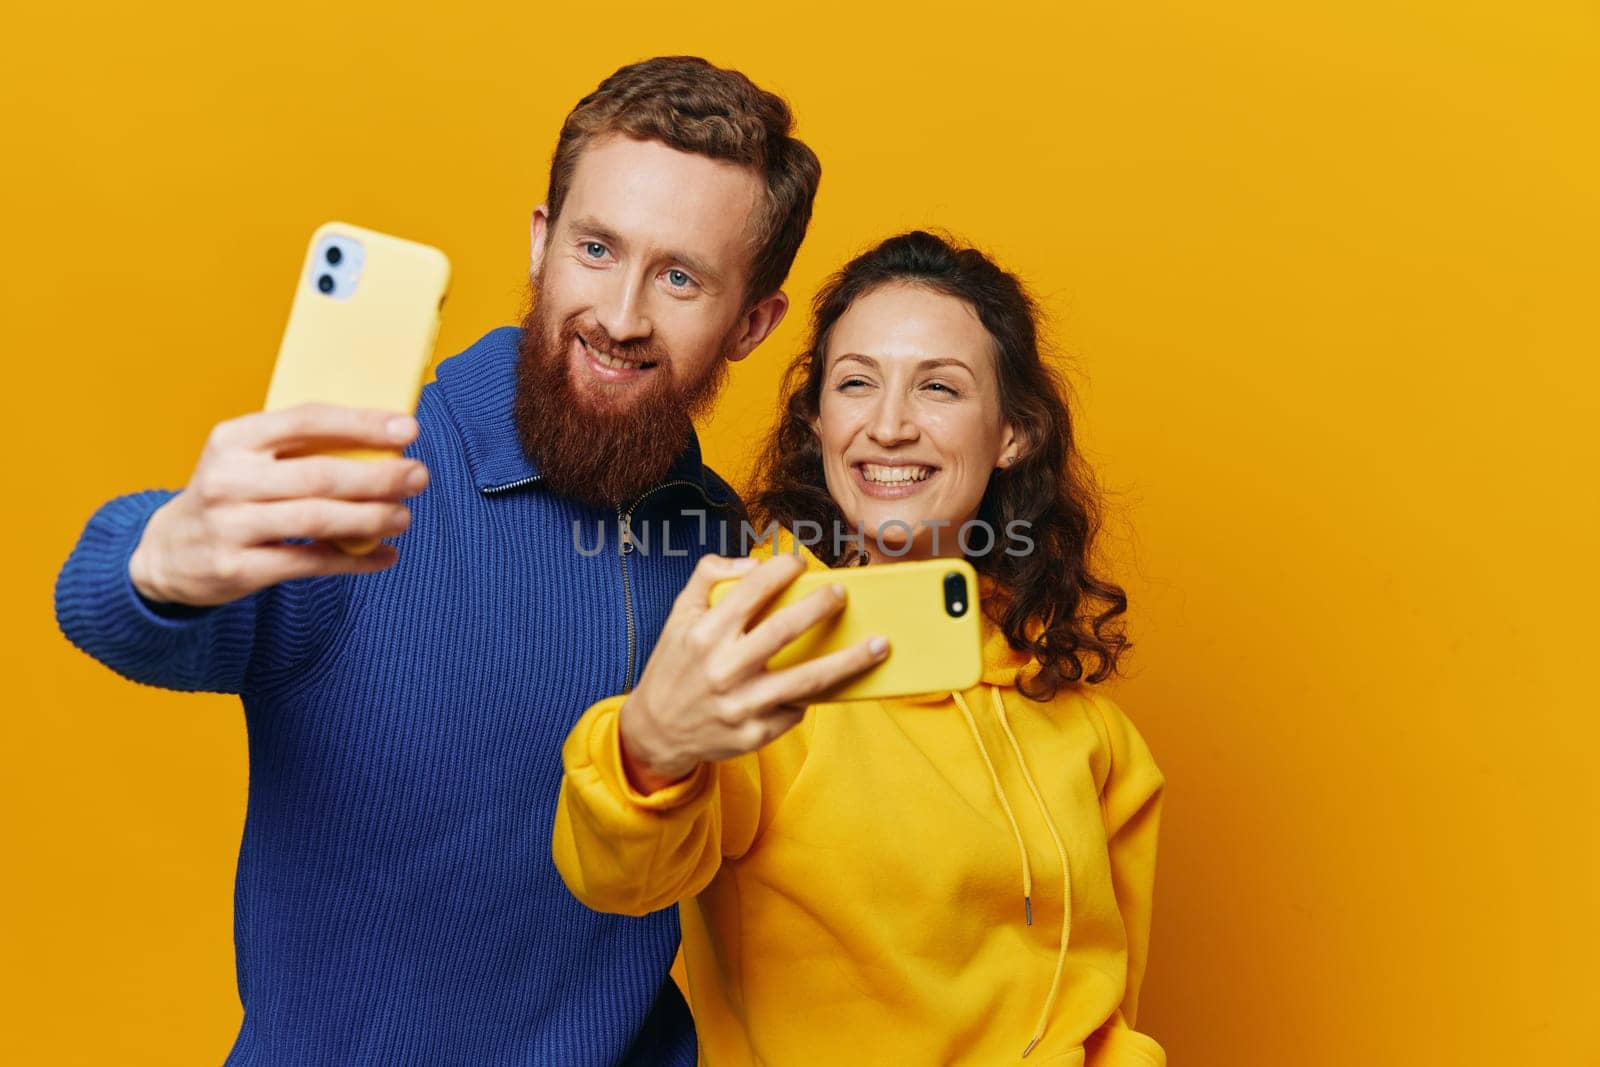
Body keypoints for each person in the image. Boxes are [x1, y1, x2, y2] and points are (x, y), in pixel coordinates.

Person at [52, 56, 852, 1065]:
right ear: (540, 243)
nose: (620, 314)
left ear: (751, 323)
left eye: (681, 277)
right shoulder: (371, 472)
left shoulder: (722, 553)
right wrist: (159, 558)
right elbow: (114, 608)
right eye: (597, 248)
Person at [553, 231, 1166, 1064]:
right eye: (855, 383)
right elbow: (625, 877)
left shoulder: (1088, 728)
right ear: (819, 421)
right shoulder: (765, 656)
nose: (887, 425)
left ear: (1014, 431)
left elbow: (1106, 1002)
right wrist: (647, 751)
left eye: (939, 388)